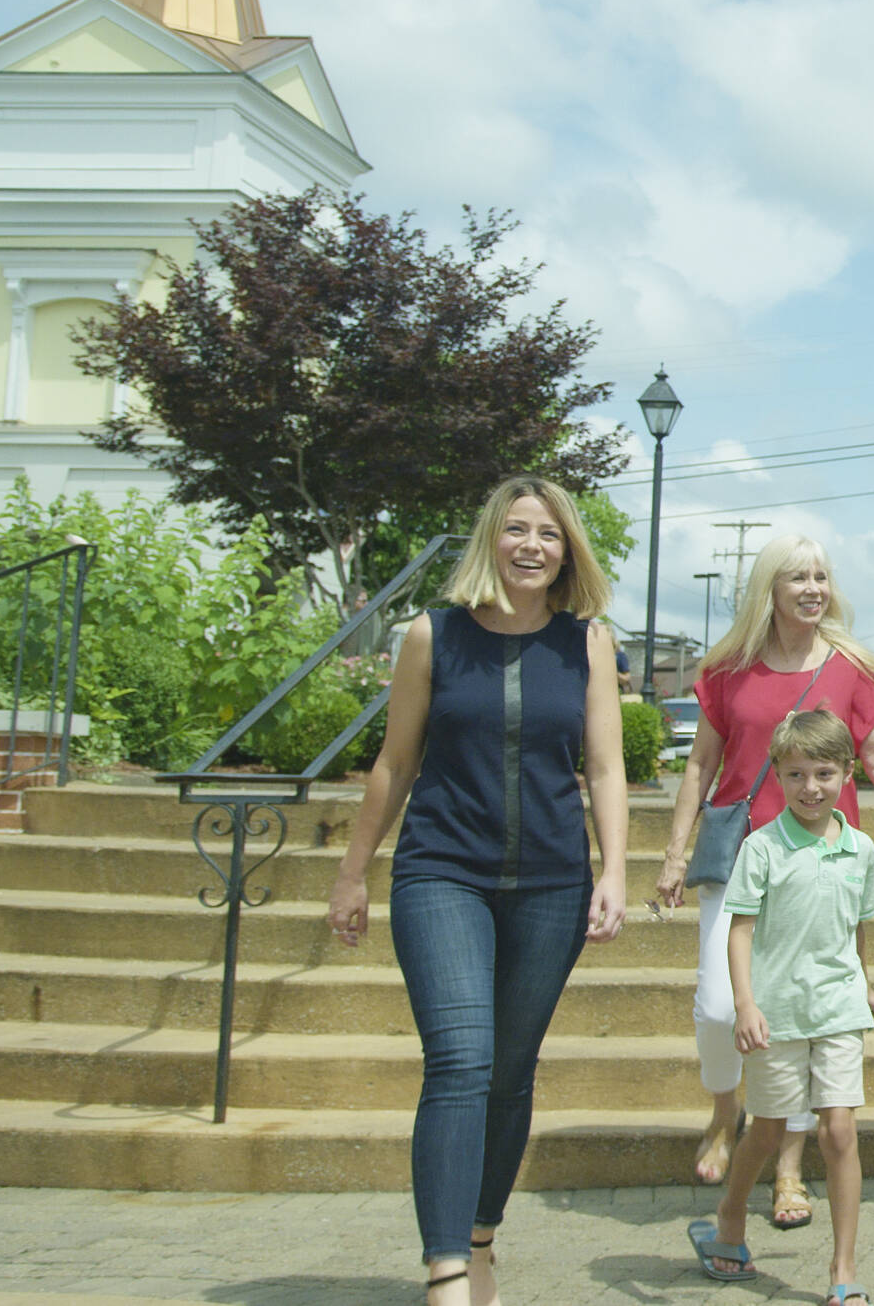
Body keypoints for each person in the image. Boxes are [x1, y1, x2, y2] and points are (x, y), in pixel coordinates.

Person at [325, 475, 632, 1306]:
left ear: (567, 552)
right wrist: (353, 874)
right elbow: (395, 762)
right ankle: (447, 1271)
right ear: (491, 539)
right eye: (517, 529)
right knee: (461, 1059)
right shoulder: (434, 634)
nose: (533, 546)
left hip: (552, 883)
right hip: (442, 872)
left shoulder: (588, 643)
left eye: (549, 534)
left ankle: (481, 1237)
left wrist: (614, 869)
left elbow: (605, 766)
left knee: (510, 1072)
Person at [652, 535, 874, 1225]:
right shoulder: (728, 669)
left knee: (797, 1016)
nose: (813, 588)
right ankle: (725, 1109)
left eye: (821, 577)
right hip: (742, 857)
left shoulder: (849, 669)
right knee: (721, 1008)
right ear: (771, 589)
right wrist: (673, 855)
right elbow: (700, 766)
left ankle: (788, 1170)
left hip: (820, 864)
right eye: (798, 578)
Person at [686, 711, 874, 1301]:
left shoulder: (861, 850)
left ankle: (843, 1269)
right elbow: (740, 931)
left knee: (839, 1131)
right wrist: (745, 1003)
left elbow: (854, 928)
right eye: (796, 774)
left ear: (847, 774)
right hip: (776, 1013)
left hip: (838, 1010)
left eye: (823, 773)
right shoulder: (761, 847)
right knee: (769, 1130)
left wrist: (865, 984)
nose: (810, 788)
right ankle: (730, 1216)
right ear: (777, 773)